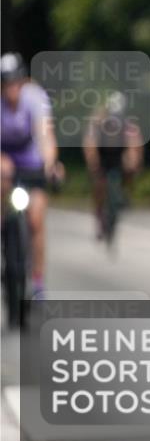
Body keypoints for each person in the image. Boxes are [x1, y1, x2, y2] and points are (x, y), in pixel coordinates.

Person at [0, 52, 63, 298]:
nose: (11, 88)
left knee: (36, 219)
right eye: (5, 82)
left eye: (15, 81)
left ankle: (37, 280)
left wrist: (50, 162)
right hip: (4, 162)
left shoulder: (35, 97)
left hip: (31, 162)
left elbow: (45, 133)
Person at [83, 91, 144, 241]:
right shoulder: (98, 122)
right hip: (103, 154)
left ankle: (126, 192)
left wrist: (134, 162)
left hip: (118, 154)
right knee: (99, 184)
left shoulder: (128, 124)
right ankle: (99, 216)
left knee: (129, 170)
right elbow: (89, 143)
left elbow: (135, 144)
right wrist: (93, 161)